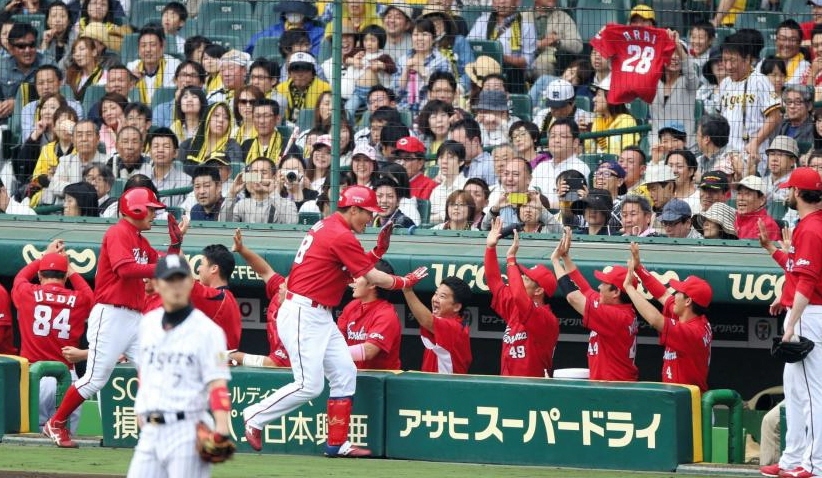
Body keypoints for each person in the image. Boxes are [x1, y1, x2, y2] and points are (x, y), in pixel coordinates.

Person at [241, 185, 427, 456]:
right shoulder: (340, 234)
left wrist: (377, 252)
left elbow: (350, 268)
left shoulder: (330, 226)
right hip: (303, 312)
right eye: (367, 213)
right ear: (353, 209)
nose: (371, 218)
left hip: (318, 314)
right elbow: (370, 278)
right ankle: (254, 416)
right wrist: (404, 282)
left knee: (344, 372)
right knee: (309, 385)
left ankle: (337, 443)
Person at [43, 187, 188, 448]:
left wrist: (175, 246)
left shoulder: (140, 240)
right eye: (151, 210)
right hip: (111, 313)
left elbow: (166, 267)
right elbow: (126, 269)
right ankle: (57, 421)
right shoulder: (118, 232)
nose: (154, 215)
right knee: (95, 379)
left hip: (135, 317)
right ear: (136, 208)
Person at [125, 254, 234, 477]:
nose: (176, 285)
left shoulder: (211, 332)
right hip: (151, 430)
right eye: (169, 279)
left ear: (190, 282)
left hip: (188, 429)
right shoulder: (147, 324)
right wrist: (140, 410)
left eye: (181, 279)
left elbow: (218, 383)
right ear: (156, 284)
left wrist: (222, 427)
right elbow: (144, 373)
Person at [758, 167, 822, 478]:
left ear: (798, 192)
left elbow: (808, 283)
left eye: (789, 189)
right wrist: (773, 252)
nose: (787, 193)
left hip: (811, 314)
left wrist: (791, 323)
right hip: (804, 310)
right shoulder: (807, 225)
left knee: (813, 394)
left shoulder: (811, 228)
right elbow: (798, 275)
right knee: (796, 393)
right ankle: (792, 459)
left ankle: (814, 465)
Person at [13, 245, 93, 433]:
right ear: (64, 277)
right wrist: (71, 269)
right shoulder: (79, 298)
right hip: (67, 378)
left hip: (34, 378)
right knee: (64, 434)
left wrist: (43, 257)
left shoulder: (27, 293)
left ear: (40, 276)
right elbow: (91, 296)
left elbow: (19, 279)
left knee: (32, 438)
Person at [551, 227, 639, 381]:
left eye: (604, 283)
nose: (599, 287)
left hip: (615, 388)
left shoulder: (616, 316)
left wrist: (555, 262)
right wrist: (565, 257)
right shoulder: (614, 308)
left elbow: (574, 298)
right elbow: (584, 288)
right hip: (613, 384)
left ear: (616, 292)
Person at [623, 243, 713, 392]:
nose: (674, 294)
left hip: (689, 405)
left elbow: (655, 319)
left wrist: (629, 289)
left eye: (678, 291)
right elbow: (663, 294)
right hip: (678, 398)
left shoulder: (693, 331)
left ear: (688, 301)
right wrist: (639, 268)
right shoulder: (688, 316)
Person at [485, 217, 559, 377]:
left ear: (539, 290)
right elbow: (494, 282)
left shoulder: (545, 317)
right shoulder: (515, 308)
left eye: (526, 278)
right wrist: (490, 248)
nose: (520, 278)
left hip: (533, 389)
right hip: (508, 385)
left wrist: (511, 261)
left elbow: (519, 296)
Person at [718, 33, 782, 167]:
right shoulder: (724, 84)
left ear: (747, 59)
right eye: (725, 60)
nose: (728, 66)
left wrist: (755, 142)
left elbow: (775, 117)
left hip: (753, 155)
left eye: (733, 60)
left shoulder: (760, 81)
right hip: (727, 156)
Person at [229, 229, 290, 368]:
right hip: (275, 362)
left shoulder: (299, 320)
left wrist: (235, 356)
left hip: (292, 374)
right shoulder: (279, 292)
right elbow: (265, 271)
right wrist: (242, 249)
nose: (281, 287)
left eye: (285, 286)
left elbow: (274, 364)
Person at [337, 259, 402, 370]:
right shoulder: (352, 306)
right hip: (352, 376)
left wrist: (328, 354)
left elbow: (369, 351)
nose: (354, 280)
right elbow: (337, 339)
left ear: (372, 283)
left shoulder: (386, 314)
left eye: (359, 276)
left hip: (380, 382)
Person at [402, 275, 472, 374]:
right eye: (436, 294)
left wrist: (407, 290)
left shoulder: (455, 328)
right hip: (432, 385)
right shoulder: (445, 322)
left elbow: (426, 321)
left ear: (456, 307)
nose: (435, 299)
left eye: (442, 296)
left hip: (447, 387)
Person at [467, 0, 536, 94]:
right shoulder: (482, 21)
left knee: (515, 73)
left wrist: (502, 57)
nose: (502, 2)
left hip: (510, 74)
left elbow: (528, 62)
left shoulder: (526, 25)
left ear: (517, 2)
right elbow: (468, 46)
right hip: (481, 69)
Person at [649, 32, 700, 145]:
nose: (675, 57)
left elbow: (690, 72)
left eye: (679, 53)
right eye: (671, 52)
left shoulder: (688, 84)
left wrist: (676, 43)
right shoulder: (654, 83)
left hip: (684, 148)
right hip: (658, 148)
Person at [393, 17, 451, 112]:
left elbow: (442, 92)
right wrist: (405, 71)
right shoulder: (403, 60)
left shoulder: (441, 61)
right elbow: (395, 92)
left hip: (431, 111)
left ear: (433, 38)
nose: (419, 38)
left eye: (424, 34)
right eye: (416, 35)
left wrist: (422, 70)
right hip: (402, 110)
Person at [43, 120, 107, 204]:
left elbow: (105, 190)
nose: (84, 139)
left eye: (89, 135)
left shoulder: (107, 161)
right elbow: (55, 186)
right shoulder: (65, 161)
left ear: (98, 139)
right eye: (79, 135)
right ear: (73, 140)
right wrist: (83, 189)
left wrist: (68, 185)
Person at [0, 22, 55, 122]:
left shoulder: (48, 64)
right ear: (11, 48)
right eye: (21, 46)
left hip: (39, 119)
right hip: (7, 122)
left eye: (32, 45)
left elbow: (57, 97)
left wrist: (18, 104)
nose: (27, 50)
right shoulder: (2, 66)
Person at [531, 118, 590, 207]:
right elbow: (530, 196)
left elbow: (572, 205)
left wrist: (540, 206)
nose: (556, 140)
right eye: (552, 136)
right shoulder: (541, 167)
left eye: (563, 136)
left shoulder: (579, 167)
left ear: (575, 142)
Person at [221, 158, 298, 224]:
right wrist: (231, 194)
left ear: (273, 177)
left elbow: (292, 223)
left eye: (264, 172)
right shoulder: (241, 205)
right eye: (255, 172)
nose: (259, 176)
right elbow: (223, 224)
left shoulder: (287, 204)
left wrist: (272, 193)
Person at [21, 65, 83, 143]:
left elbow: (78, 136)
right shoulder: (28, 108)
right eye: (41, 83)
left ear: (60, 83)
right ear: (36, 86)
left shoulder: (74, 107)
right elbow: (27, 139)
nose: (46, 87)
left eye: (50, 82)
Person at [180, 102, 243, 174]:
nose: (221, 120)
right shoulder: (187, 145)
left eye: (226, 118)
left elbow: (233, 173)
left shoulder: (233, 146)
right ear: (207, 119)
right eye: (216, 115)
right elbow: (179, 172)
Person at [247, 1, 324, 57]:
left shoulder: (318, 33)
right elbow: (250, 47)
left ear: (305, 13)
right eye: (290, 10)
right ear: (284, 12)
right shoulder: (273, 31)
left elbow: (316, 57)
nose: (294, 13)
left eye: (298, 11)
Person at [126, 25, 180, 105]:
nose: (148, 50)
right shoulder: (131, 67)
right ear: (138, 49)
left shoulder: (174, 66)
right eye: (143, 45)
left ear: (162, 47)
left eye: (153, 45)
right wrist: (132, 82)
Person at [586, 76, 638, 154]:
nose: (594, 99)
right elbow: (589, 153)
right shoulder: (597, 122)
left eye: (598, 95)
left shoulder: (626, 121)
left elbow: (628, 152)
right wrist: (585, 134)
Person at [138, 127, 189, 208]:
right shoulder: (140, 177)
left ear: (175, 152)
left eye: (166, 146)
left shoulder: (186, 181)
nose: (160, 150)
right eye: (156, 146)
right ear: (150, 152)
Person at [276, 52, 331, 124]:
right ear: (289, 73)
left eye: (304, 69)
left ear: (313, 73)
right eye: (295, 69)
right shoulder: (280, 89)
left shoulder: (325, 88)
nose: (300, 74)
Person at [449, 117, 497, 185]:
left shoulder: (490, 165)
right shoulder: (455, 166)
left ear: (475, 141)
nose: (456, 149)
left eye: (459, 144)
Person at [241, 99, 289, 165]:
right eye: (257, 116)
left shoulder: (287, 146)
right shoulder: (246, 146)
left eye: (266, 116)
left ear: (277, 119)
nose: (261, 121)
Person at [430, 140, 468, 223]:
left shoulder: (467, 186)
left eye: (450, 157)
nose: (444, 161)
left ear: (461, 161)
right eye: (441, 157)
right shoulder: (436, 191)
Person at [734, 175, 781, 240]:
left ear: (762, 200)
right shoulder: (731, 219)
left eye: (747, 194)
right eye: (739, 193)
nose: (741, 198)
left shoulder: (767, 225)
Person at [695, 114, 736, 180]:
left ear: (706, 139)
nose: (696, 139)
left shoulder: (730, 160)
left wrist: (701, 179)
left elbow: (718, 186)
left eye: (697, 135)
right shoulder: (699, 160)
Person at [64, 37, 105, 102]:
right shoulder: (71, 75)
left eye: (82, 49)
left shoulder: (104, 75)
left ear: (94, 52)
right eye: (74, 52)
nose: (77, 54)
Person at [764, 135, 799, 203]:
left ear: (792, 161)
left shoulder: (796, 184)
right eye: (771, 154)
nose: (774, 159)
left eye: (780, 155)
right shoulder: (763, 181)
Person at [665, 149, 701, 215]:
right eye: (670, 166)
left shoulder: (700, 199)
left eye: (679, 166)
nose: (674, 170)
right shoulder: (663, 198)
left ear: (691, 171)